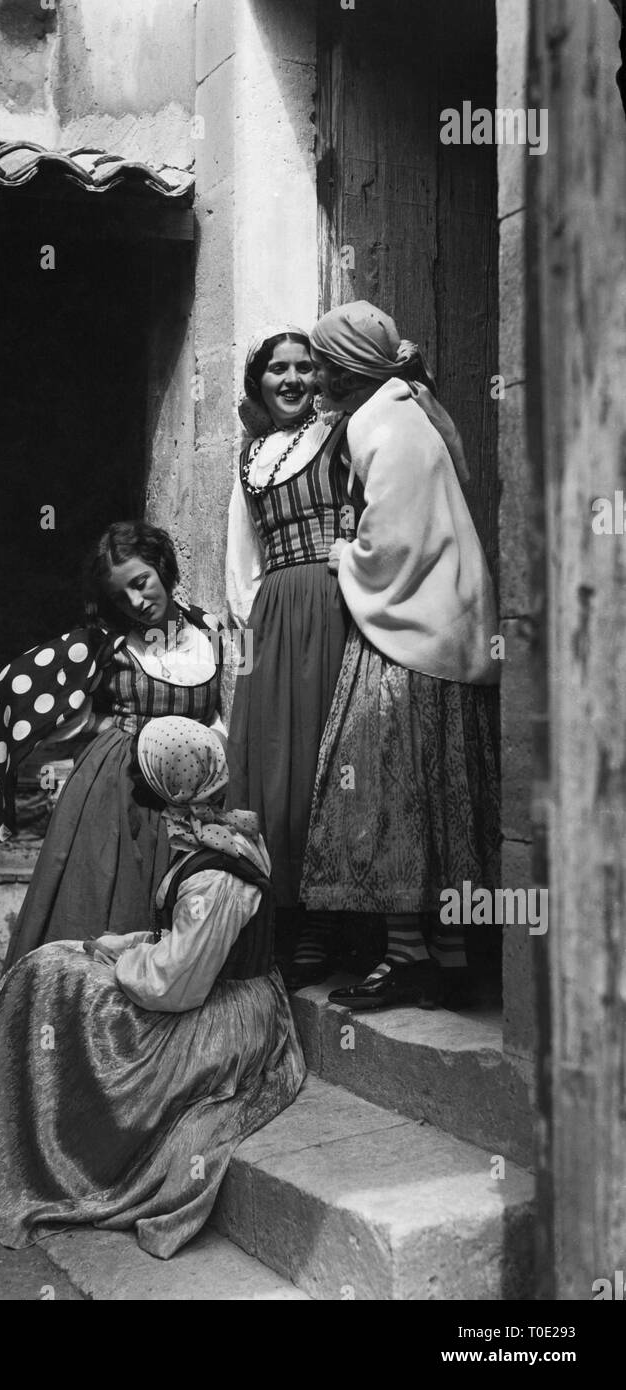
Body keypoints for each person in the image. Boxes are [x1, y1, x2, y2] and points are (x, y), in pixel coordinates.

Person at [0, 717, 306, 1260]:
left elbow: (175, 985)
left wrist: (122, 962)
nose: (136, 786)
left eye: (145, 776)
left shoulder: (215, 877)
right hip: (202, 985)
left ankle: (49, 1154)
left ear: (172, 789)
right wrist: (127, 944)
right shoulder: (219, 842)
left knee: (53, 984)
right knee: (50, 967)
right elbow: (185, 945)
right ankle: (17, 1142)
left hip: (223, 1018)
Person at [300, 300, 501, 1009]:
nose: (315, 372)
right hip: (444, 629)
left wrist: (343, 555)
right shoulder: (409, 407)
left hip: (408, 639)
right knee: (439, 800)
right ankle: (444, 956)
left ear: (348, 364)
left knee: (388, 792)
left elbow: (393, 543)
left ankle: (410, 955)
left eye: (323, 360)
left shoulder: (381, 423)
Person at [0, 521, 225, 969]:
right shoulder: (109, 644)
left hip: (193, 794)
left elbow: (224, 716)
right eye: (120, 595)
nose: (136, 602)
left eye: (141, 583)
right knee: (105, 907)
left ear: (162, 567)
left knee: (184, 926)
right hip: (119, 790)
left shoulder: (211, 633)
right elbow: (19, 684)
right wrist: (104, 723)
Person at [225, 325, 361, 987]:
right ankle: (278, 916)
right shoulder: (250, 459)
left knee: (321, 761)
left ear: (321, 378)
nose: (291, 379)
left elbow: (373, 512)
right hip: (273, 615)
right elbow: (241, 558)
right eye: (277, 369)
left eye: (304, 368)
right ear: (260, 382)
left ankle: (326, 924)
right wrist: (251, 630)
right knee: (270, 765)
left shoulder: (341, 437)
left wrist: (355, 568)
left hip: (331, 606)